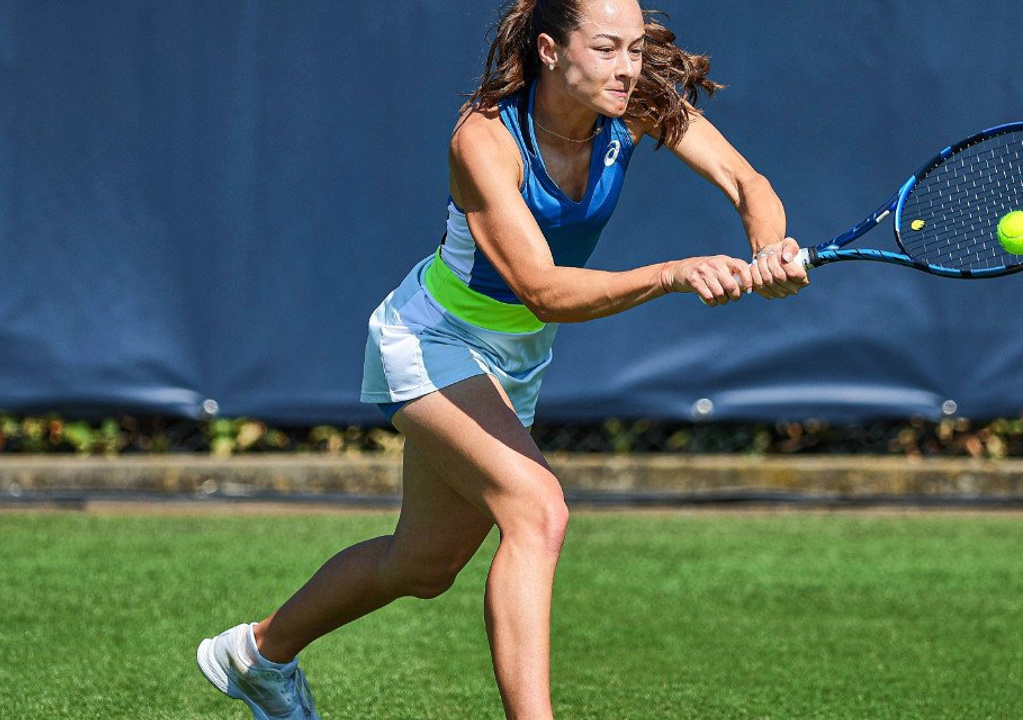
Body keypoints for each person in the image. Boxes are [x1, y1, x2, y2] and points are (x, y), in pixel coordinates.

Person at [196, 0, 807, 718]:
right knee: (537, 510)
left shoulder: (636, 104)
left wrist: (770, 250)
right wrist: (671, 273)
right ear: (550, 50)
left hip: (513, 361)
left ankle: (255, 655)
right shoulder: (484, 140)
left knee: (422, 566)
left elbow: (748, 184)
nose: (628, 68)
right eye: (607, 48)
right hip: (431, 342)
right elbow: (543, 289)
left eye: (636, 49)